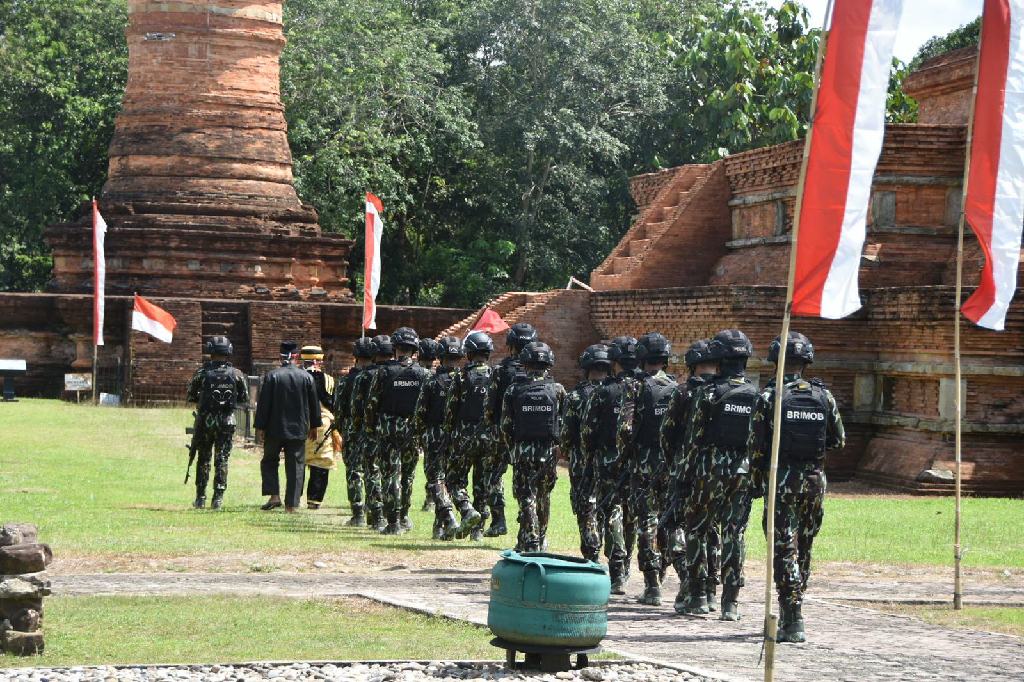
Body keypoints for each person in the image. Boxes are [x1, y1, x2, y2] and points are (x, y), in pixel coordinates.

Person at [749, 331, 845, 644]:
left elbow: (756, 447)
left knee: (783, 548)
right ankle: (795, 602)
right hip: (814, 481)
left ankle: (792, 613)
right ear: (806, 362)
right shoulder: (823, 396)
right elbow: (838, 440)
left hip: (782, 482)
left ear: (776, 361)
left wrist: (757, 480)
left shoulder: (769, 397)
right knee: (803, 546)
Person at [679, 329, 757, 619]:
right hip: (743, 472)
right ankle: (730, 602)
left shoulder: (708, 393)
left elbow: (693, 439)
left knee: (698, 530)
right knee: (734, 534)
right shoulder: (756, 395)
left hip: (708, 470)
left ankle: (700, 596)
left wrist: (682, 477)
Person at [661, 339, 721, 613]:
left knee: (679, 526)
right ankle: (710, 591)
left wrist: (674, 462)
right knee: (713, 530)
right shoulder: (727, 392)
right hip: (723, 473)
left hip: (687, 471)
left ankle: (690, 586)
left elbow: (668, 434)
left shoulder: (684, 393)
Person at [619, 332, 677, 606]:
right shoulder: (676, 386)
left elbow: (625, 427)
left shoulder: (634, 386)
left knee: (647, 521)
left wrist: (626, 453)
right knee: (668, 521)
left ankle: (652, 585)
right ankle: (670, 575)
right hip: (670, 463)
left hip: (643, 463)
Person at [581, 336, 642, 594]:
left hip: (608, 459)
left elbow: (587, 430)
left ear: (614, 363)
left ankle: (617, 567)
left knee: (614, 510)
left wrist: (589, 458)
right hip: (640, 461)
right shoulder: (647, 388)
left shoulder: (604, 391)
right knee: (633, 515)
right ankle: (625, 565)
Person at [500, 341, 565, 553]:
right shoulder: (557, 390)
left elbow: (505, 425)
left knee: (526, 496)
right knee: (543, 496)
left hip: (522, 451)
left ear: (525, 363)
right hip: (548, 452)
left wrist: (513, 450)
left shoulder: (513, 389)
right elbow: (564, 423)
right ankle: (539, 538)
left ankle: (531, 540)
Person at [364, 327, 430, 534]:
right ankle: (404, 517)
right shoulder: (424, 374)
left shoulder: (384, 372)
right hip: (412, 430)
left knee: (389, 474)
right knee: (408, 476)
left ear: (395, 349)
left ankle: (392, 522)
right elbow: (426, 407)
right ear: (414, 349)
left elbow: (371, 403)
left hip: (386, 430)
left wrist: (370, 428)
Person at [484, 322, 539, 538]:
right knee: (526, 480)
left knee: (494, 476)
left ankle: (498, 521)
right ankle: (528, 522)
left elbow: (489, 405)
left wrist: (491, 426)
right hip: (527, 435)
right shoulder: (538, 372)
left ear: (511, 345)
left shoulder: (500, 370)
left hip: (500, 431)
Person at [256, 341, 322, 512]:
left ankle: (274, 496)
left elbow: (264, 404)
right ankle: (291, 505)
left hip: (274, 428)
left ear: (280, 357)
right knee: (295, 466)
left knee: (270, 461)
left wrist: (260, 426)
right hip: (298, 429)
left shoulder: (272, 376)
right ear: (297, 357)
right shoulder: (306, 377)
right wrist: (315, 425)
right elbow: (314, 404)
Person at [184, 335, 249, 510]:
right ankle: (218, 499)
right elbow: (244, 398)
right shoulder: (237, 374)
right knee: (222, 459)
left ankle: (200, 497)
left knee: (203, 458)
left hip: (206, 421)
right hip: (227, 421)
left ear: (210, 351)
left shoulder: (202, 373)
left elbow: (190, 395)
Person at [442, 330, 495, 540]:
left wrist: (448, 434)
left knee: (454, 480)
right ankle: (478, 531)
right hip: (489, 437)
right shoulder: (495, 376)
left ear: (469, 353)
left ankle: (467, 510)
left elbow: (450, 410)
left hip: (464, 436)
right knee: (482, 483)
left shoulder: (461, 377)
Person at [560, 344, 611, 561]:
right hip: (610, 460)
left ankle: (591, 555)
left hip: (582, 462)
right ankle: (617, 559)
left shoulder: (576, 397)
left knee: (586, 508)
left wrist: (566, 451)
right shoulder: (617, 393)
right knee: (609, 507)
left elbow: (566, 434)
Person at [414, 336, 463, 539]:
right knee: (450, 480)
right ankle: (441, 527)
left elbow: (420, 412)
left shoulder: (432, 380)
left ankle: (448, 519)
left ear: (440, 357)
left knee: (436, 480)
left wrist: (419, 435)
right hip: (458, 436)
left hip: (435, 434)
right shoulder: (465, 381)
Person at [349, 335, 392, 530]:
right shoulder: (395, 373)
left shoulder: (362, 377)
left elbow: (353, 407)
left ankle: (364, 513)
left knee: (361, 471)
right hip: (391, 431)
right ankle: (390, 515)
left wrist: (355, 429)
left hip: (365, 431)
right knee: (388, 472)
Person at [333, 338, 375, 525]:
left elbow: (339, 410)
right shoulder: (378, 377)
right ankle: (375, 511)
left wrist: (343, 429)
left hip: (352, 429)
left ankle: (358, 514)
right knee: (374, 470)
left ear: (355, 357)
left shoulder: (346, 381)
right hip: (374, 430)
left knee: (354, 471)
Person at [301, 345, 338, 510]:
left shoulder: (298, 378)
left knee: (297, 462)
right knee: (320, 463)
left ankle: (293, 498)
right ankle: (314, 502)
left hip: (298, 423)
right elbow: (333, 404)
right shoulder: (328, 380)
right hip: (322, 425)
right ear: (319, 361)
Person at [417, 338, 441, 512]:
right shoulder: (435, 376)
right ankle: (431, 498)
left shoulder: (414, 373)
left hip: (422, 424)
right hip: (437, 425)